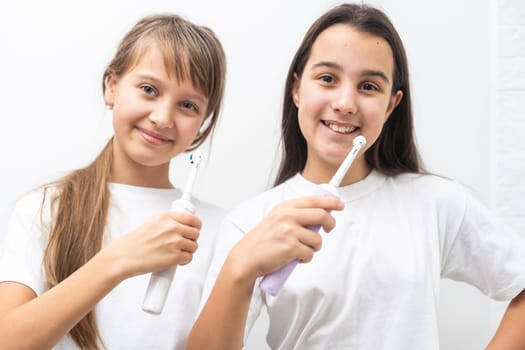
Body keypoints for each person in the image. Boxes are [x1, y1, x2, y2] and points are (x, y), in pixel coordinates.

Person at [186, 3, 525, 349]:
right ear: (297, 88)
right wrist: (240, 269)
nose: (346, 103)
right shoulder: (249, 222)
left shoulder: (436, 202)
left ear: (391, 105)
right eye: (328, 79)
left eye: (368, 86)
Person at [0, 13, 226, 350]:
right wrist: (119, 261)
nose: (163, 118)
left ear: (202, 123)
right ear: (112, 86)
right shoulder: (46, 207)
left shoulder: (221, 230)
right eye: (149, 89)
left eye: (187, 105)